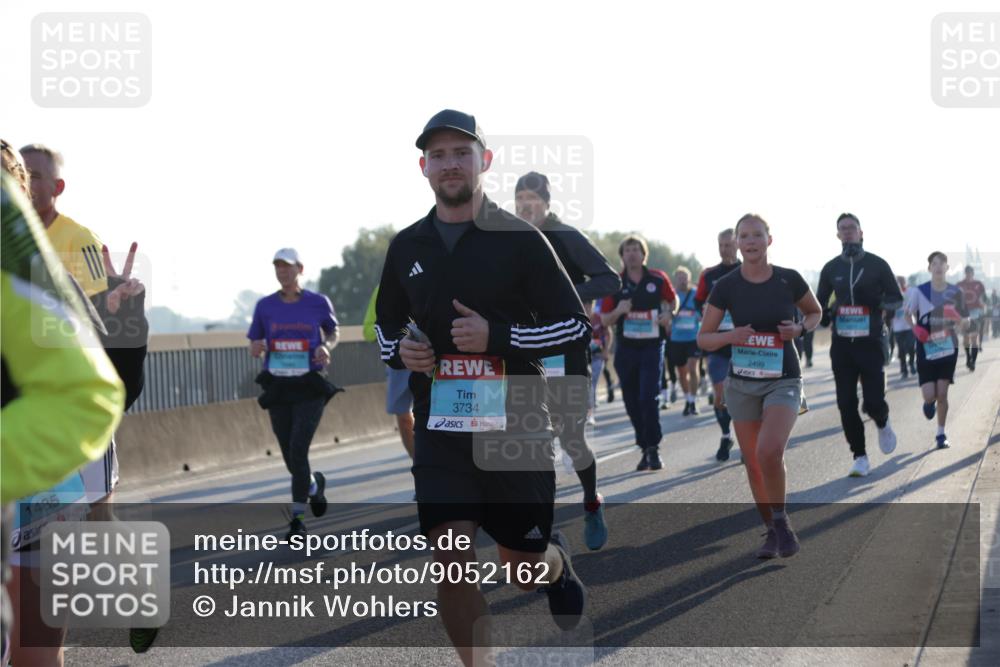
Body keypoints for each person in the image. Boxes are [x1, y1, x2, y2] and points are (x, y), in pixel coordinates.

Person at [374, 110, 591, 666]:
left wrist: (497, 335)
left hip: (514, 422)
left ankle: (555, 563)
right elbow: (385, 327)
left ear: (484, 162)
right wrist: (402, 348)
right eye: (438, 155)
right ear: (424, 167)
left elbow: (574, 326)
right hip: (442, 426)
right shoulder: (406, 247)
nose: (450, 164)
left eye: (461, 153)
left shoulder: (520, 239)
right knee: (450, 558)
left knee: (520, 568)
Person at [20, 142, 154, 654]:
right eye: (18, 173)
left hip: (76, 404)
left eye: (36, 175)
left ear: (56, 188)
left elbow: (101, 323)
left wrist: (115, 302)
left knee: (97, 520)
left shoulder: (77, 240)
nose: (26, 183)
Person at [2, 153, 125, 667]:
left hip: (47, 470)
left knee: (34, 647)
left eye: (25, 180)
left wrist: (122, 300)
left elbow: (94, 373)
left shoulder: (74, 241)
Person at [698, 213, 821, 559]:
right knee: (752, 462)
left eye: (757, 235)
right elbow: (704, 338)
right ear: (737, 243)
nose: (751, 241)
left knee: (770, 451)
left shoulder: (788, 279)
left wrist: (799, 330)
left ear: (770, 239)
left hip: (783, 378)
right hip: (743, 382)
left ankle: (781, 522)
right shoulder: (726, 285)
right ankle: (770, 529)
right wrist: (731, 336)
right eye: (744, 236)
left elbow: (815, 312)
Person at [514, 171, 620, 551]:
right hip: (524, 349)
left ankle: (592, 501)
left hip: (566, 351)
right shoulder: (507, 239)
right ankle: (540, 530)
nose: (525, 204)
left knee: (572, 439)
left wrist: (567, 292)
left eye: (532, 197)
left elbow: (610, 280)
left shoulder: (566, 237)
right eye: (520, 197)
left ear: (546, 202)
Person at [248, 248, 339, 539]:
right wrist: (256, 347)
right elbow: (254, 341)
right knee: (289, 454)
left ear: (300, 268)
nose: (282, 271)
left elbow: (333, 332)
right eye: (277, 267)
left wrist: (326, 346)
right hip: (278, 385)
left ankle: (297, 520)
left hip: (309, 384)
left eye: (287, 266)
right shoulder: (265, 306)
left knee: (299, 449)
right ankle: (313, 486)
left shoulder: (317, 302)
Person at [815, 213, 902, 478]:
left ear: (861, 233)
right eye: (843, 228)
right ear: (838, 235)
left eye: (852, 227)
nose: (848, 232)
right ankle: (860, 456)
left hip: (871, 341)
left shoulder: (877, 264)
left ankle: (883, 421)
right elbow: (818, 305)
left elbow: (895, 298)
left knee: (873, 401)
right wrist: (826, 314)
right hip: (842, 345)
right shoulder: (831, 268)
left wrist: (878, 308)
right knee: (846, 402)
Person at [600, 235, 676, 471]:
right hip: (626, 349)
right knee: (631, 400)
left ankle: (653, 448)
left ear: (644, 254)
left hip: (652, 346)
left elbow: (673, 301)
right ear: (622, 256)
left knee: (647, 396)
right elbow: (604, 319)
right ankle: (644, 447)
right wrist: (619, 311)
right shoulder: (615, 283)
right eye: (627, 250)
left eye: (636, 249)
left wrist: (669, 314)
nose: (632, 254)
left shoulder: (657, 278)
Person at [909, 252, 970, 449]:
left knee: (942, 394)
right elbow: (908, 314)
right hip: (925, 347)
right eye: (934, 264)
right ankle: (929, 403)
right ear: (929, 268)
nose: (937, 267)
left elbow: (966, 322)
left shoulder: (955, 292)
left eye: (941, 263)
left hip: (947, 346)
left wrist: (959, 319)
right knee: (930, 395)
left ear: (947, 267)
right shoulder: (920, 291)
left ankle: (941, 434)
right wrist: (915, 328)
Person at [695, 228, 740, 461]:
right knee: (720, 394)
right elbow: (698, 302)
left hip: (746, 344)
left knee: (747, 395)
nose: (725, 249)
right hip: (718, 344)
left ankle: (748, 441)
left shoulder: (748, 271)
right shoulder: (709, 275)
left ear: (738, 245)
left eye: (729, 245)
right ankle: (726, 435)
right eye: (721, 245)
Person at [364, 286, 415, 461]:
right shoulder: (383, 287)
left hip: (433, 356)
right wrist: (396, 336)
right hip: (400, 361)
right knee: (403, 417)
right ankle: (418, 463)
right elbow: (368, 331)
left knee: (435, 415)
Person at [667, 266, 702, 416]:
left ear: (689, 278)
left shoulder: (696, 294)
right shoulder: (672, 295)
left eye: (685, 277)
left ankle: (693, 401)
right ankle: (687, 399)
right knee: (682, 372)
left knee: (693, 368)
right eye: (679, 277)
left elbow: (703, 312)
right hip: (676, 339)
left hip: (693, 337)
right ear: (676, 279)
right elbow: (666, 313)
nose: (682, 280)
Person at [956, 265, 987, 372]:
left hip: (976, 314)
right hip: (963, 314)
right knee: (965, 338)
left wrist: (983, 304)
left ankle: (973, 361)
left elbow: (985, 298)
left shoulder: (979, 284)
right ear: (965, 273)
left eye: (970, 273)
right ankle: (968, 357)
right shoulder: (959, 285)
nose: (968, 274)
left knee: (974, 338)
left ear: (973, 273)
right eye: (967, 273)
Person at [891, 275, 919, 378]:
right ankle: (903, 369)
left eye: (901, 282)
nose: (900, 285)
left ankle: (911, 364)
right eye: (897, 283)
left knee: (911, 347)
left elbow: (915, 305)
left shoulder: (910, 292)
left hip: (909, 326)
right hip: (897, 328)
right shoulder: (890, 295)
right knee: (901, 349)